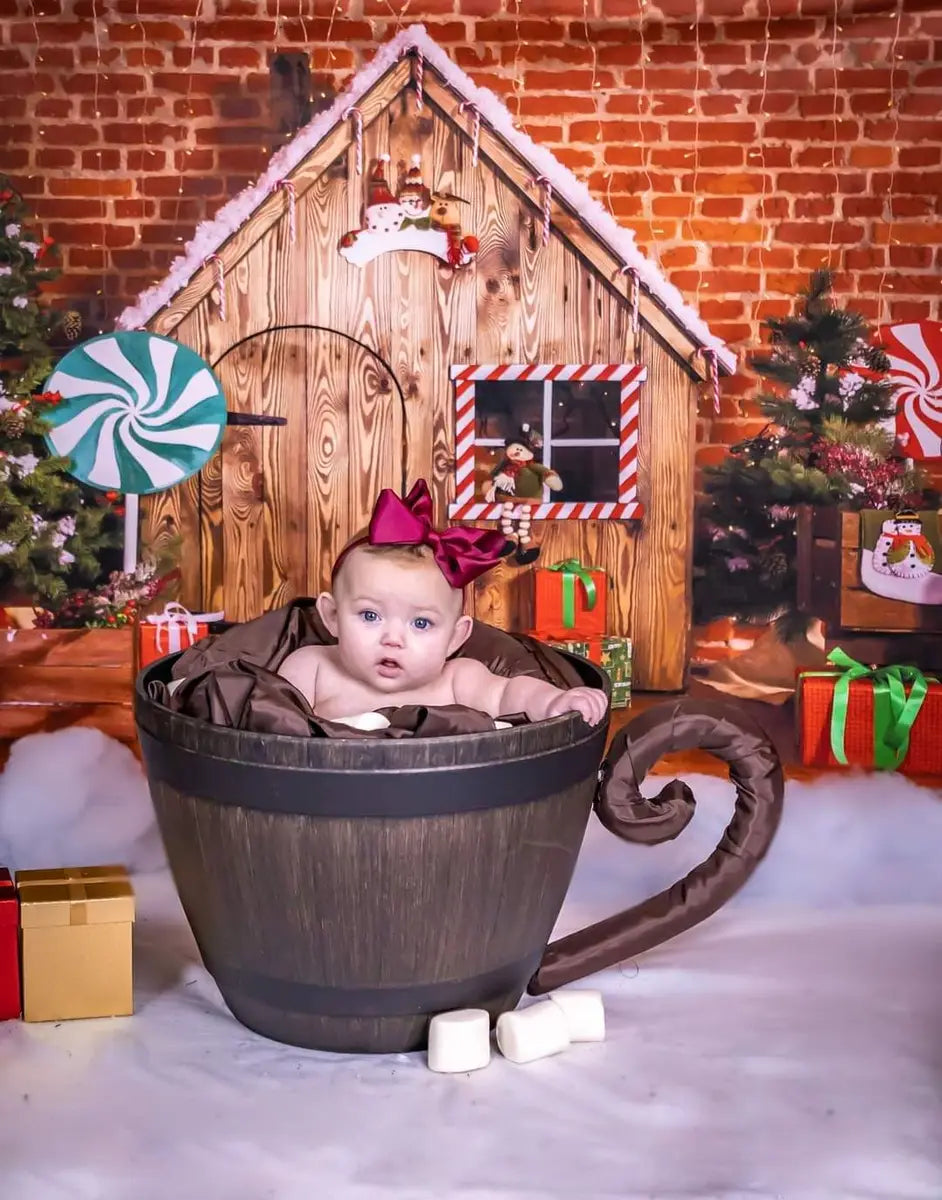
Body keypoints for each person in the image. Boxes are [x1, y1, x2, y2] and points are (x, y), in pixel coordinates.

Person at [277, 480, 608, 728]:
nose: (393, 638)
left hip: (441, 805)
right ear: (332, 616)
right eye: (369, 615)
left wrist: (554, 702)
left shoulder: (457, 679)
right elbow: (267, 726)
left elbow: (511, 694)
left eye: (421, 623)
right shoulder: (312, 668)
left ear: (455, 637)